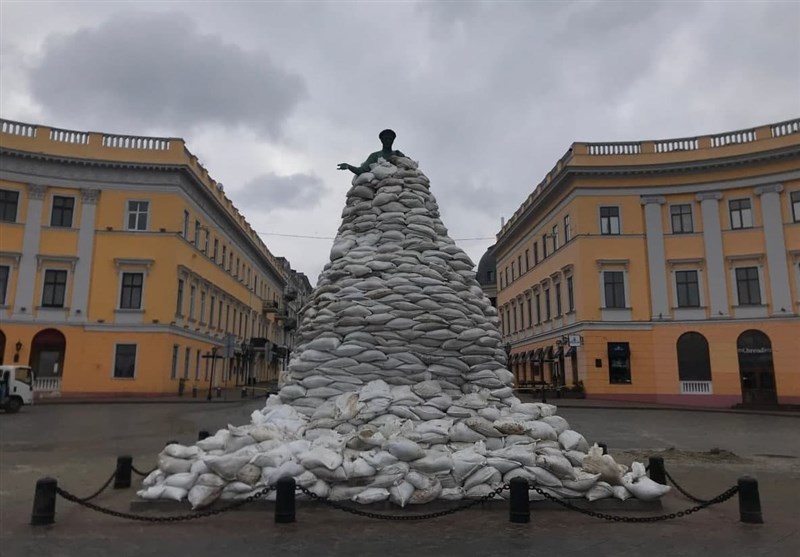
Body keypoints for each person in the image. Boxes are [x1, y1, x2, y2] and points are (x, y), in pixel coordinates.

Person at [337, 129, 405, 176]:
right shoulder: (375, 156)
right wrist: (348, 166)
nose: (388, 141)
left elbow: (409, 166)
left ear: (393, 140)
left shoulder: (398, 154)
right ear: (381, 140)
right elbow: (362, 170)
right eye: (385, 138)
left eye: (390, 139)